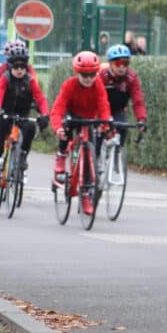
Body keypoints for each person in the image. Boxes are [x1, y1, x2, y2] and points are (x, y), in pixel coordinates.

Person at [0, 53, 50, 205]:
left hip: (22, 115)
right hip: (5, 115)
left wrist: (45, 114)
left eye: (23, 67)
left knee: (30, 128)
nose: (19, 70)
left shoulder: (30, 81)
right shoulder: (5, 79)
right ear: (10, 67)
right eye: (16, 67)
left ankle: (23, 156)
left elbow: (40, 98)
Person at [50, 51, 112, 215]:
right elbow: (57, 109)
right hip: (73, 114)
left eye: (92, 74)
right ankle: (62, 155)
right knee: (67, 127)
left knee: (88, 153)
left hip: (90, 118)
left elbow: (103, 105)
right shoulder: (69, 85)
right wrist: (58, 128)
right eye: (84, 75)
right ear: (77, 73)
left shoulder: (97, 84)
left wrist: (105, 124)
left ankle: (85, 195)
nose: (89, 79)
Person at [98, 45, 147, 145]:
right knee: (99, 136)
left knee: (123, 128)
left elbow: (138, 101)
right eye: (118, 63)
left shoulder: (131, 78)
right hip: (100, 108)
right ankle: (96, 156)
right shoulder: (102, 76)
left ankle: (118, 154)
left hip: (117, 109)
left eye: (125, 63)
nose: (122, 67)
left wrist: (141, 119)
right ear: (110, 64)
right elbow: (94, 98)